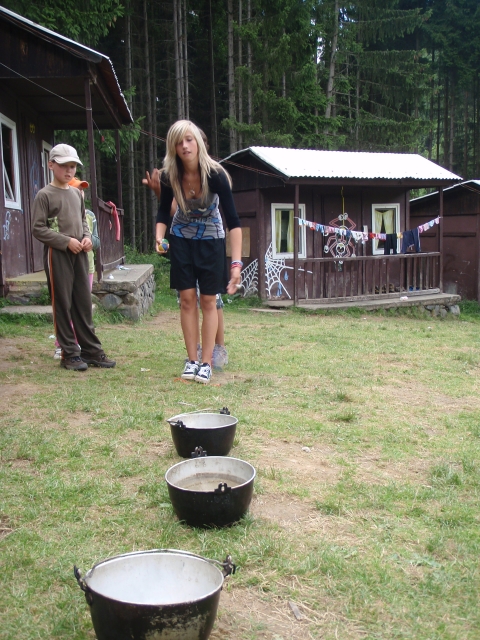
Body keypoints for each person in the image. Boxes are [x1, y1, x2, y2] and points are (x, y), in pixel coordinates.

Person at [155, 120, 242, 384]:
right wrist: (159, 237)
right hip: (181, 237)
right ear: (173, 147)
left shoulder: (215, 175)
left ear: (198, 143)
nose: (184, 146)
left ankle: (207, 363)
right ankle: (192, 360)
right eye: (179, 142)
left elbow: (233, 221)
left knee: (208, 300)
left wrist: (236, 264)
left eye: (189, 139)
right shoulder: (169, 176)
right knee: (186, 299)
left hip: (211, 239)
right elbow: (163, 212)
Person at [32, 143, 116, 371]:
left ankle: (91, 350)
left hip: (80, 253)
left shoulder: (77, 194)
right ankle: (69, 353)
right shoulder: (44, 195)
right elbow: (38, 229)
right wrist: (65, 241)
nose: (69, 171)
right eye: (64, 166)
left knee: (83, 301)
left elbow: (83, 223)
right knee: (63, 302)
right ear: (51, 165)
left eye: (73, 166)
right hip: (58, 254)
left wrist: (86, 238)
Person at [52, 176, 100, 359]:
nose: (80, 193)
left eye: (82, 190)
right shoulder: (59, 209)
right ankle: (62, 345)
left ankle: (81, 343)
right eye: (77, 189)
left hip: (87, 266)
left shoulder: (90, 215)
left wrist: (89, 241)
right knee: (66, 304)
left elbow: (97, 240)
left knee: (82, 306)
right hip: (64, 263)